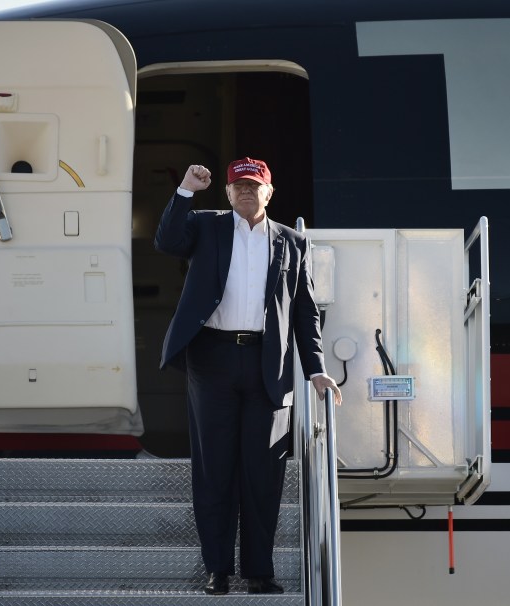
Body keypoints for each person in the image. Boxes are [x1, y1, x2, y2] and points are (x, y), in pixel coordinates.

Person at [155, 158, 342, 595]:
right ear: (226, 193)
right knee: (214, 469)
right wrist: (184, 190)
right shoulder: (205, 226)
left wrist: (315, 370)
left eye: (253, 185)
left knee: (264, 472)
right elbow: (166, 241)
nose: (244, 191)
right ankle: (217, 569)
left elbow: (304, 313)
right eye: (237, 185)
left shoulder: (292, 242)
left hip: (268, 366)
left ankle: (258, 571)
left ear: (268, 193)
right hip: (212, 360)